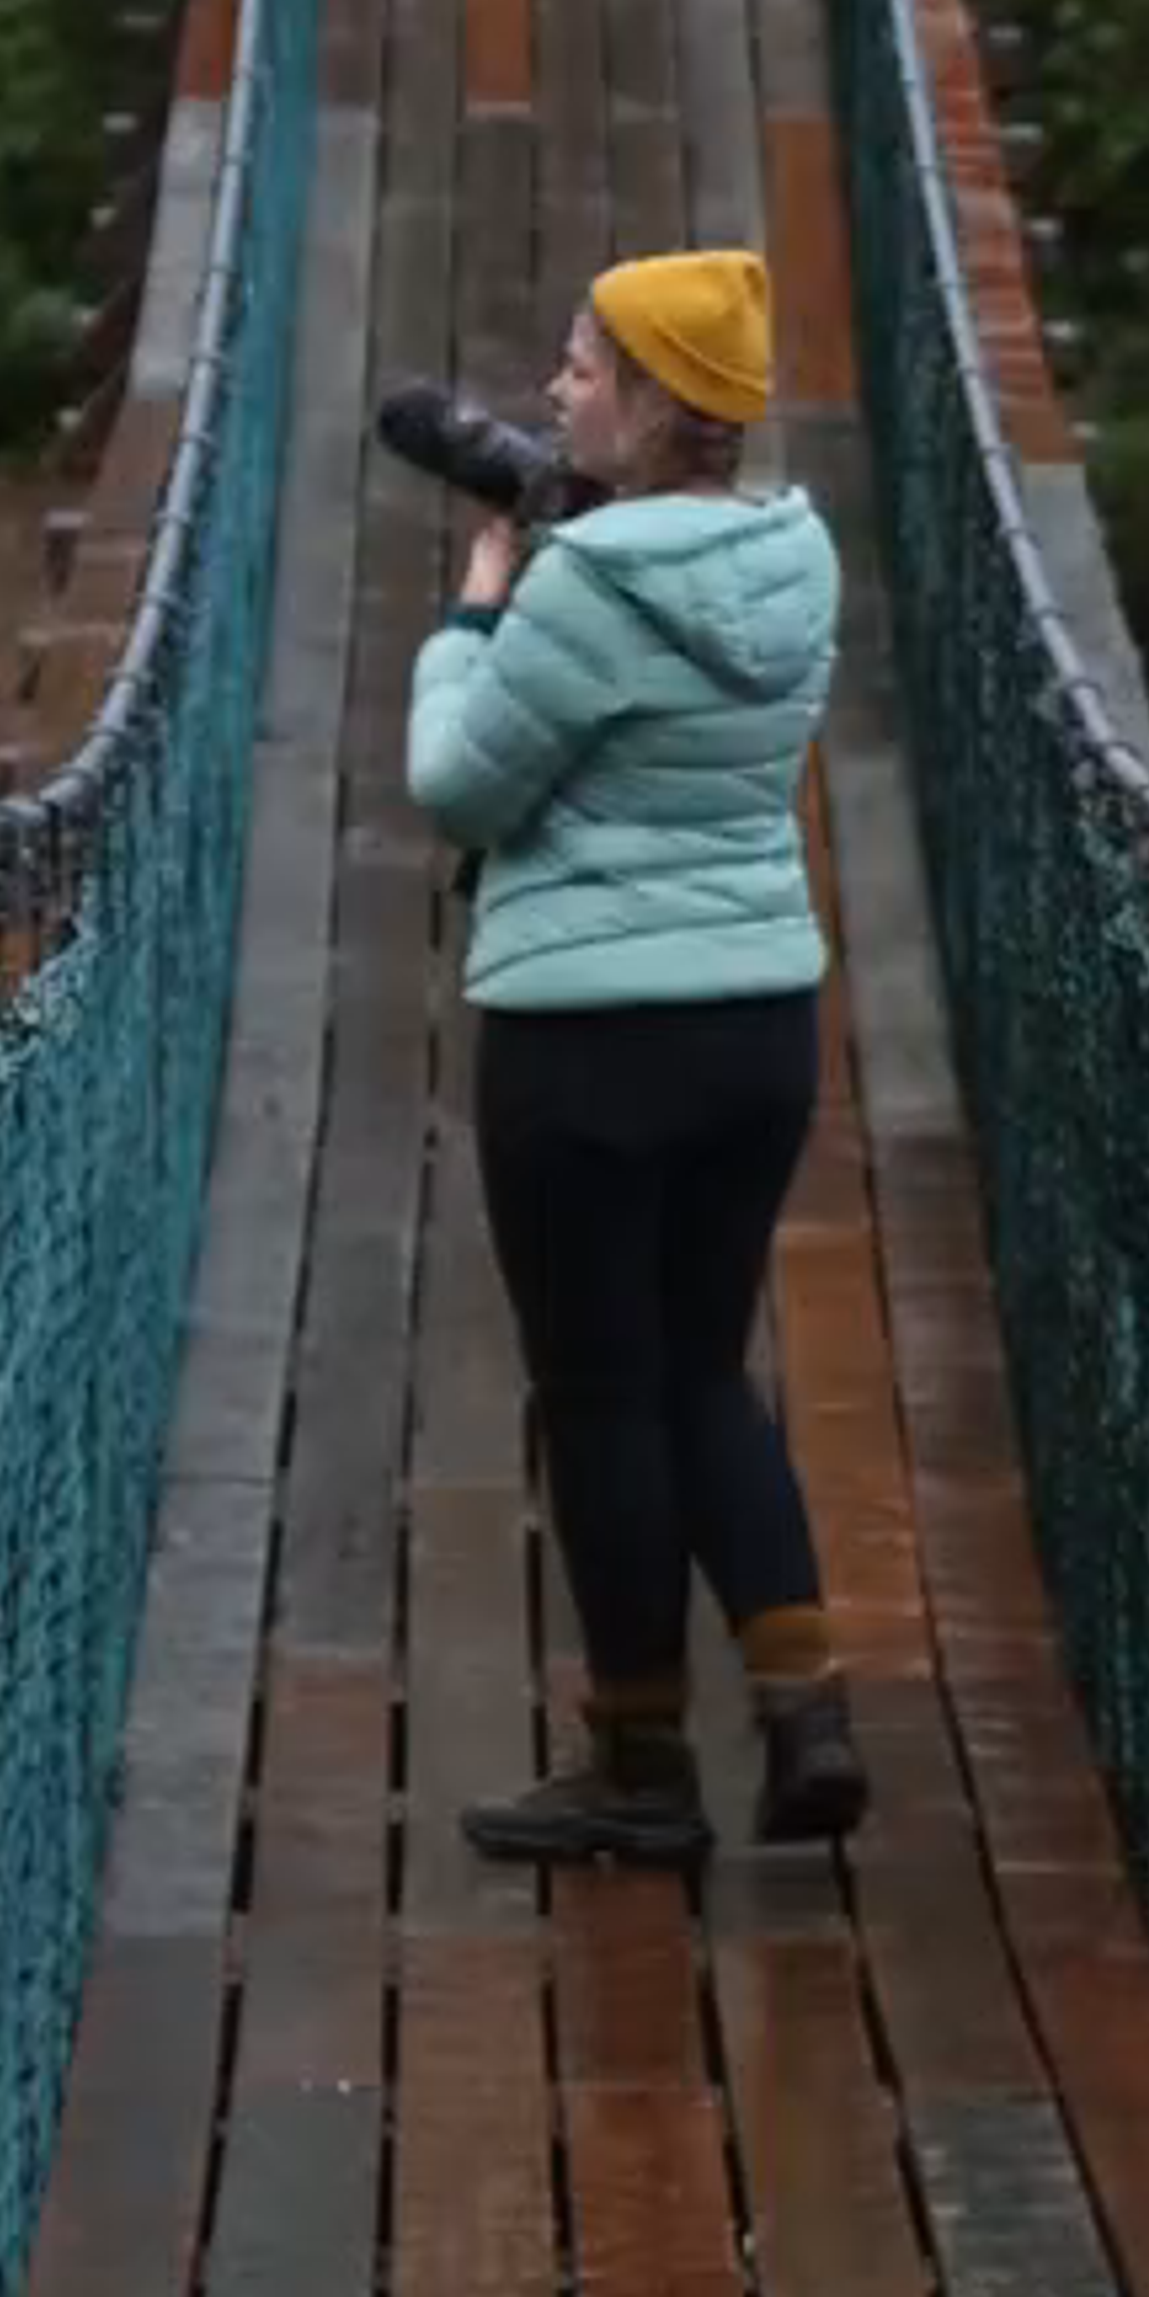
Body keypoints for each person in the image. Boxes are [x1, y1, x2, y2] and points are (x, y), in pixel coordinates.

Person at [405, 245, 863, 1870]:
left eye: (587, 366)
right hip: (755, 1028)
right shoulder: (797, 563)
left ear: (662, 404)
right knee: (701, 1368)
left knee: (601, 1395)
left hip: (585, 1048)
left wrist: (476, 606)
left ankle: (641, 1764)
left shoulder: (584, 591)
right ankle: (807, 1708)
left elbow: (458, 786)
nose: (556, 386)